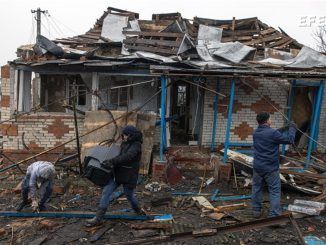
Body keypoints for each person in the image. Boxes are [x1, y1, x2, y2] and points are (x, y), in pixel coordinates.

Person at [86, 125, 144, 227]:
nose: (123, 137)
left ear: (130, 135)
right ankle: (98, 218)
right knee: (106, 192)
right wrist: (109, 160)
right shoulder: (125, 143)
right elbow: (119, 155)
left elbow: (128, 156)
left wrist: (113, 161)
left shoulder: (136, 145)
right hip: (117, 174)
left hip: (129, 176)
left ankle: (138, 210)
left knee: (129, 196)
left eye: (125, 135)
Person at [252, 112, 296, 218]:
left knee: (257, 188)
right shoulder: (272, 133)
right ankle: (274, 214)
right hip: (270, 168)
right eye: (270, 119)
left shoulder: (256, 133)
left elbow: (272, 134)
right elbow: (290, 140)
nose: (271, 120)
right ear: (267, 121)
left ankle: (256, 211)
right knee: (275, 190)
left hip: (257, 166)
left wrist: (284, 128)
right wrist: (292, 128)